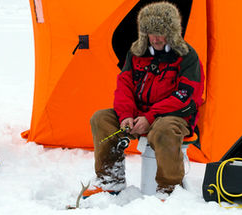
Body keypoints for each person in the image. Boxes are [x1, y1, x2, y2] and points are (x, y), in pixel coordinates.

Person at [84, 2, 204, 198]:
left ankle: (169, 190)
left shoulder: (187, 56)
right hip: (140, 114)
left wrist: (150, 117)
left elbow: (185, 97)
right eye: (150, 32)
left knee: (164, 130)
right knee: (101, 119)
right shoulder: (136, 53)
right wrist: (125, 116)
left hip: (174, 115)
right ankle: (110, 180)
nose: (155, 38)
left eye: (161, 32)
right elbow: (124, 87)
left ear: (172, 31)